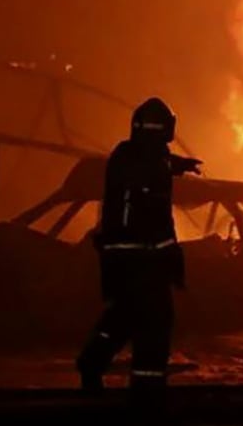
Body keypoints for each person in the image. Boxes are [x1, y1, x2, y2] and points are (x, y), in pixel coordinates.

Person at [75, 97, 201, 400]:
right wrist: (168, 255)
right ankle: (147, 391)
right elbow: (150, 206)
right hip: (141, 260)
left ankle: (91, 364)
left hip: (130, 259)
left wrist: (176, 165)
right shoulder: (140, 162)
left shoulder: (132, 155)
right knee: (154, 323)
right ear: (167, 129)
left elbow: (151, 163)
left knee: (124, 317)